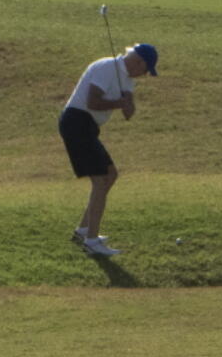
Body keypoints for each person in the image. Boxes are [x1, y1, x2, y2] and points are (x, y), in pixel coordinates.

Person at [59, 43, 158, 256]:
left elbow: (128, 113)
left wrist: (127, 102)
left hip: (87, 125)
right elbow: (92, 101)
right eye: (146, 70)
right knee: (101, 179)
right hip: (77, 121)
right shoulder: (107, 67)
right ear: (138, 61)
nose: (144, 75)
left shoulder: (128, 79)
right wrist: (119, 102)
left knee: (110, 175)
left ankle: (84, 230)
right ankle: (92, 242)